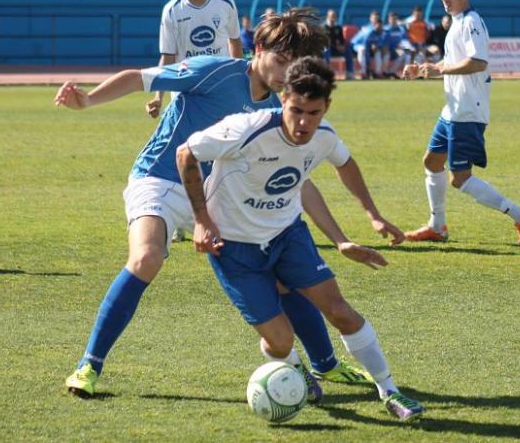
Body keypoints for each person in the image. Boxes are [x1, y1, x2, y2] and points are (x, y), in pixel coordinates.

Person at [55, 9, 387, 399]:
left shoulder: (282, 108)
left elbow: (299, 179)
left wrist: (342, 234)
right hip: (161, 179)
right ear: (258, 49)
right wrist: (88, 100)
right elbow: (139, 78)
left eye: (293, 65)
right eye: (279, 61)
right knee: (146, 258)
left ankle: (326, 364)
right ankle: (89, 365)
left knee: (281, 271)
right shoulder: (215, 71)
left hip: (218, 196)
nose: (285, 73)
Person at [176, 56, 424, 420]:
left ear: (326, 108)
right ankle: (299, 372)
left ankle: (389, 391)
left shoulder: (324, 137)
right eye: (296, 111)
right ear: (282, 100)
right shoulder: (244, 130)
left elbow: (346, 164)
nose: (304, 122)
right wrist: (201, 220)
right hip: (233, 247)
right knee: (279, 340)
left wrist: (369, 217)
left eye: (314, 112)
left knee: (342, 313)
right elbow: (186, 153)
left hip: (287, 235)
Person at [402, 0, 520, 245]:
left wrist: (441, 71)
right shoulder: (456, 22)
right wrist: (426, 69)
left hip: (466, 110)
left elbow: (478, 62)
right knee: (431, 161)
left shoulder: (472, 21)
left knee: (460, 178)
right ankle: (437, 226)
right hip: (452, 109)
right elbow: (452, 62)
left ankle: (519, 215)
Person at [145, 0, 243, 120]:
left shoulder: (226, 3)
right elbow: (168, 56)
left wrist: (239, 83)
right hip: (185, 86)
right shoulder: (172, 10)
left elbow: (234, 42)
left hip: (218, 85)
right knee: (184, 144)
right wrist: (158, 97)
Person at [322, 9, 355, 80]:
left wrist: (342, 46)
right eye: (332, 16)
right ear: (328, 17)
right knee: (326, 51)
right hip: (328, 48)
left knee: (348, 51)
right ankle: (326, 74)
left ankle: (349, 73)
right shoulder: (323, 27)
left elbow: (342, 40)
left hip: (337, 49)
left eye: (334, 16)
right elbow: (322, 41)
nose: (333, 18)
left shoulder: (338, 28)